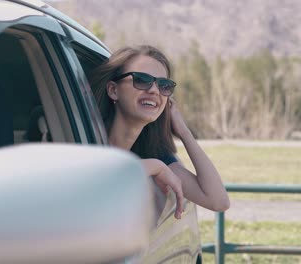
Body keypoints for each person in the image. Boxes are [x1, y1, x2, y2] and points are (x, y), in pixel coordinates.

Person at [91, 45, 230, 219]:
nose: (154, 90)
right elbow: (91, 180)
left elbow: (218, 201)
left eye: (164, 85)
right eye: (142, 80)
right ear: (113, 90)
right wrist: (153, 167)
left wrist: (184, 131)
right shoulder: (83, 139)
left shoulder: (152, 153)